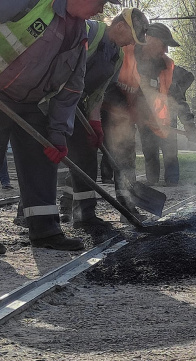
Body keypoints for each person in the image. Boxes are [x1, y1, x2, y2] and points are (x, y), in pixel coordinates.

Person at [0, 0, 121, 251]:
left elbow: (72, 89)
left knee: (41, 165)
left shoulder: (79, 33)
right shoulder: (29, 3)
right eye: (100, 1)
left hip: (33, 103)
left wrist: (57, 134)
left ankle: (45, 231)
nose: (101, 10)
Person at [59, 8, 149, 228]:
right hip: (58, 102)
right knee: (47, 158)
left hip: (81, 106)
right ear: (119, 26)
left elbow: (99, 91)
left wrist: (95, 122)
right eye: (130, 37)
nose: (131, 44)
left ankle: (84, 216)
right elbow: (61, 67)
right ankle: (31, 213)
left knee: (86, 159)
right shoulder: (88, 31)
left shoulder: (117, 55)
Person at [101, 23, 196, 216]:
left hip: (129, 119)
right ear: (150, 39)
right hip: (102, 109)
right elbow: (102, 81)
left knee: (126, 159)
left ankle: (126, 208)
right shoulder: (123, 50)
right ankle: (73, 206)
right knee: (85, 158)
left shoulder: (165, 67)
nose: (166, 50)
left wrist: (190, 126)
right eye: (164, 44)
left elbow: (178, 100)